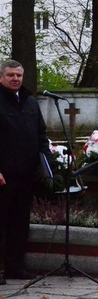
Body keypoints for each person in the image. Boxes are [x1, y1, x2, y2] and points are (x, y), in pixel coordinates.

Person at [0, 59, 48, 282]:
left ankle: (15, 267)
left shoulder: (30, 102)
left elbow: (41, 136)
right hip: (3, 176)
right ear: (1, 77)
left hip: (26, 175)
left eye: (19, 75)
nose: (15, 79)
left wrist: (46, 165)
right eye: (10, 75)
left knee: (20, 224)